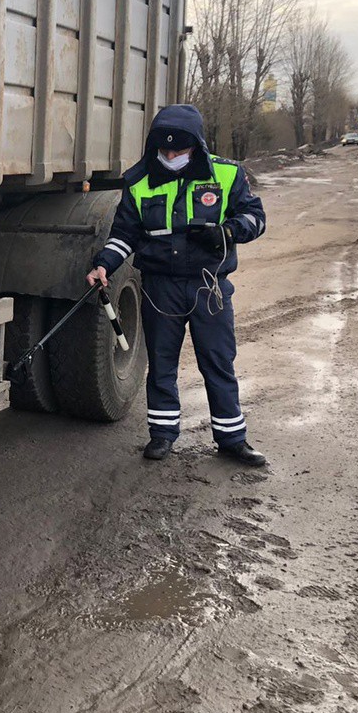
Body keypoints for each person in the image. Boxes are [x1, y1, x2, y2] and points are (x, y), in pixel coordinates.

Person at [86, 104, 267, 466]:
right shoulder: (138, 180)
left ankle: (232, 439)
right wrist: (103, 265)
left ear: (196, 145)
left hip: (208, 287)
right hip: (160, 288)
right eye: (164, 150)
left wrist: (227, 231)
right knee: (162, 364)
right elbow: (125, 234)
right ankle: (163, 435)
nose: (170, 156)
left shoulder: (228, 175)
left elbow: (256, 218)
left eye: (179, 150)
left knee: (217, 361)